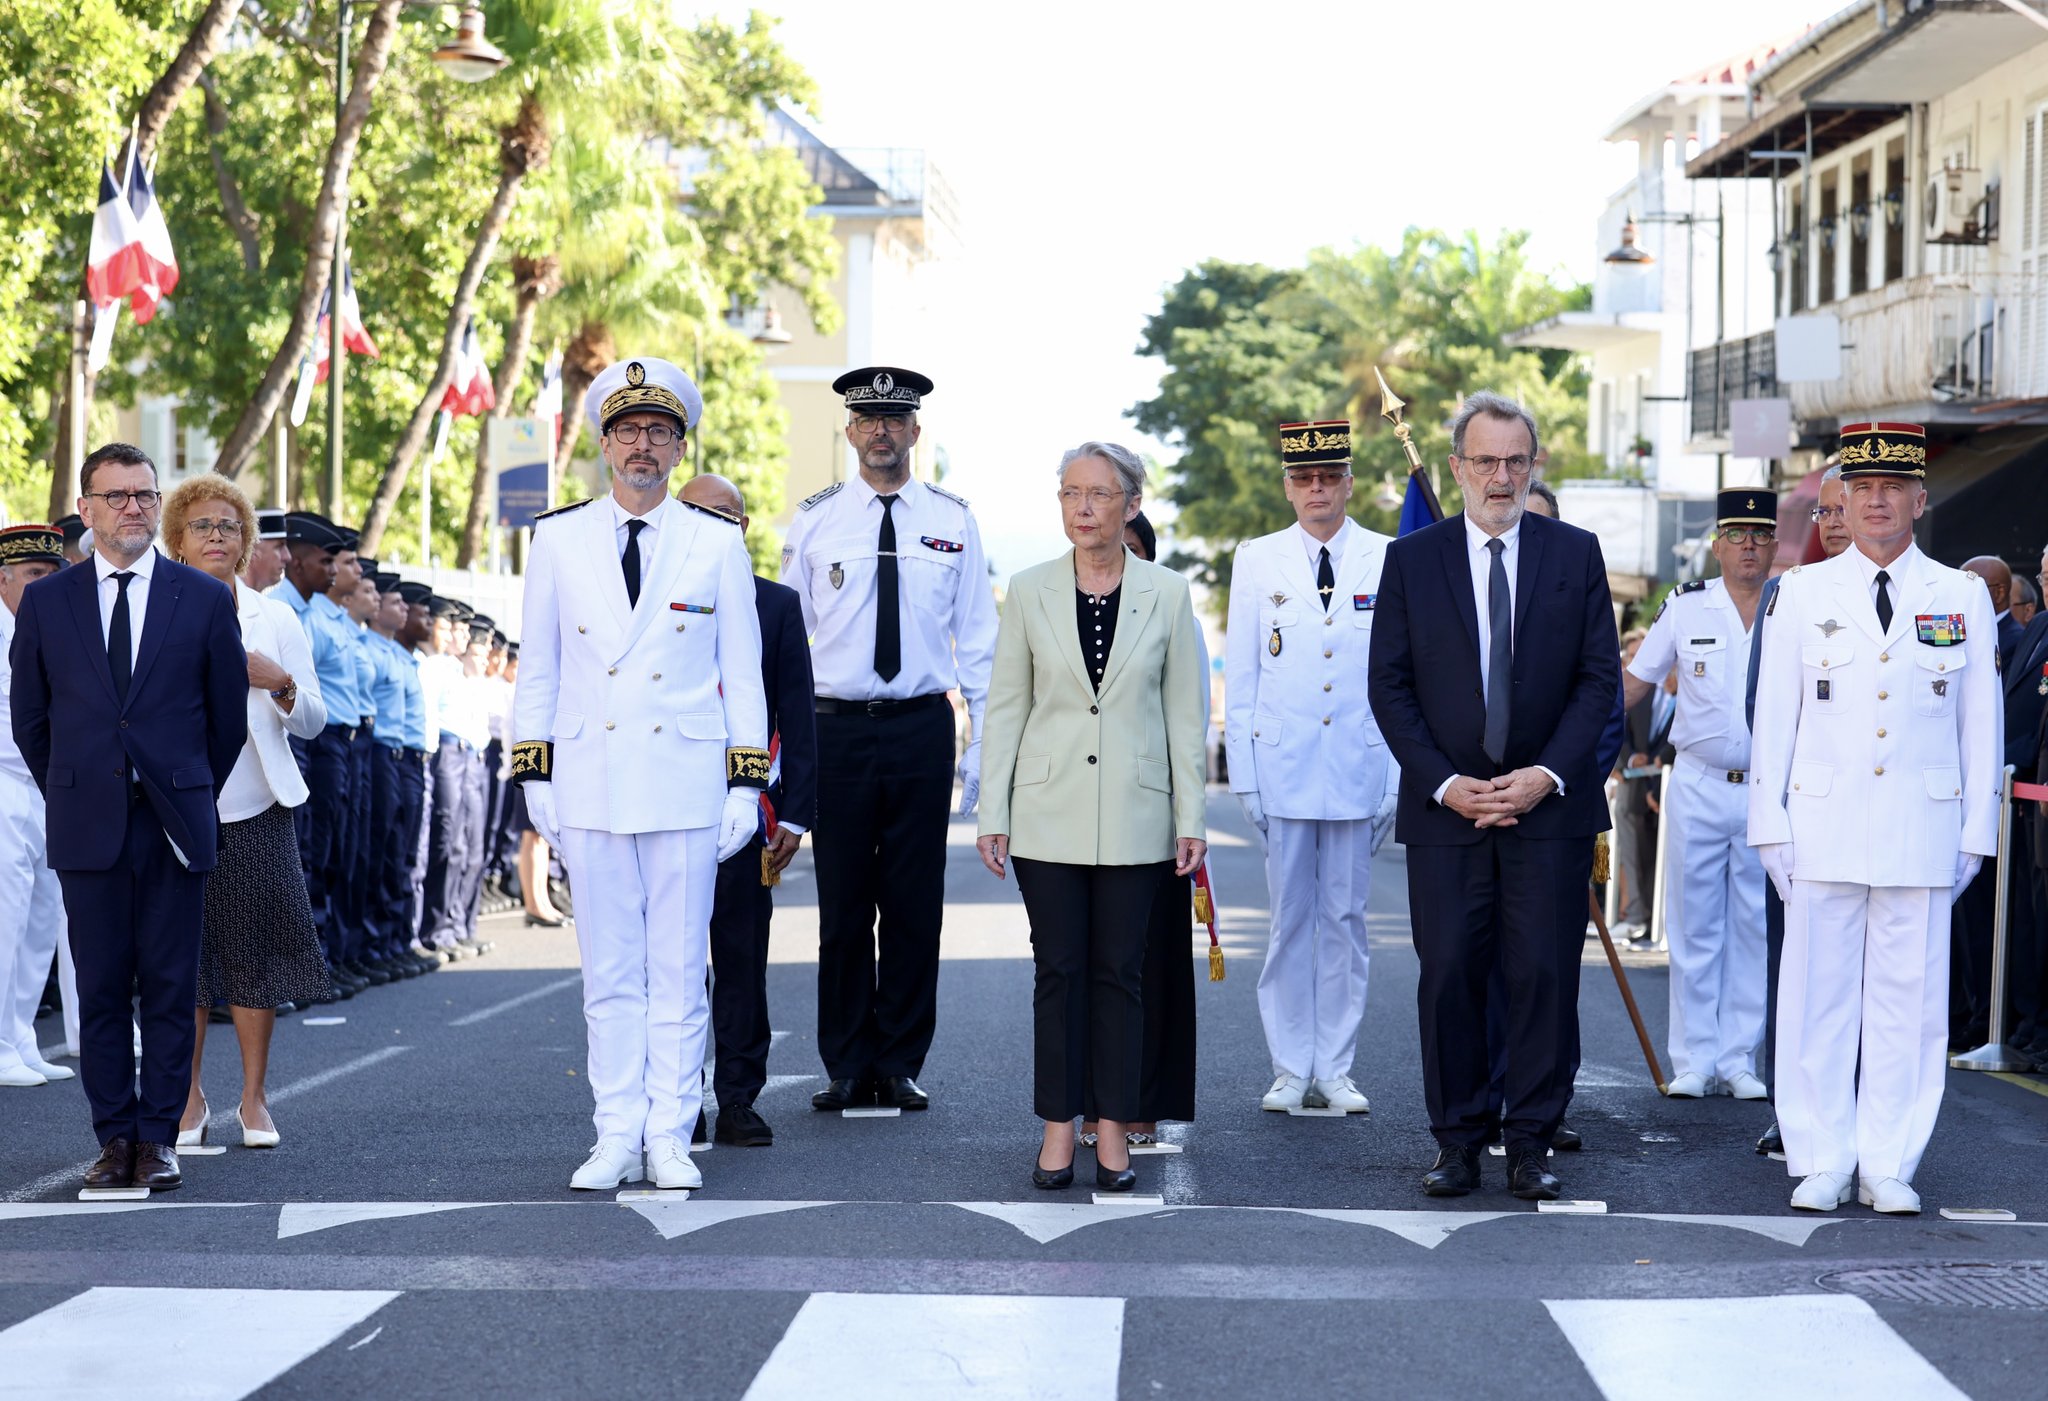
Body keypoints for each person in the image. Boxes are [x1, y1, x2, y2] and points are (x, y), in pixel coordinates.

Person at [513, 355, 768, 1192]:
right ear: (604, 442)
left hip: (686, 778)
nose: (643, 447)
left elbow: (745, 670)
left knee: (678, 969)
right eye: (629, 431)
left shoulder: (716, 539)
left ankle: (670, 1133)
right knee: (609, 973)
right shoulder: (556, 536)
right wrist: (534, 776)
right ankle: (615, 1131)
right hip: (590, 774)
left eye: (660, 432)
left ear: (680, 446)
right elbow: (539, 670)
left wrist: (744, 783)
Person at [1367, 392, 1619, 1202]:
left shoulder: (1576, 554)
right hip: (1449, 813)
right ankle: (1457, 1141)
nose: (1501, 476)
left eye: (1516, 460)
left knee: (1542, 975)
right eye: (1485, 460)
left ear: (1534, 463)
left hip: (1547, 813)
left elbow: (1597, 683)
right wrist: (1445, 783)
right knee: (1448, 976)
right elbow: (1390, 686)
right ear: (1457, 467)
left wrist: (1544, 775)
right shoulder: (1412, 560)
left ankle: (1531, 1142)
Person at [1749, 422, 1999, 1214]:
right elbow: (1774, 719)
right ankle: (1821, 1155)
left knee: (1909, 1006)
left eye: (1894, 487)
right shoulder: (1802, 592)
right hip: (1820, 826)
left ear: (1920, 499)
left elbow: (1980, 726)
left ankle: (1888, 1161)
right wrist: (1770, 823)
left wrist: (1976, 833)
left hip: (1922, 831)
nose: (1879, 501)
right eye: (1864, 489)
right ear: (1843, 504)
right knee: (1816, 1000)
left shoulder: (1958, 595)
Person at [9, 442, 247, 1191]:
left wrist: (187, 789)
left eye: (144, 494)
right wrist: (73, 789)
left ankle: (159, 1136)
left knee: (172, 984)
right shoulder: (49, 602)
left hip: (172, 820)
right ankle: (115, 1137)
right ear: (86, 511)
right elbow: (31, 718)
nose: (133, 508)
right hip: (87, 821)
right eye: (116, 497)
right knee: (102, 986)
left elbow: (225, 720)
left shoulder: (203, 597)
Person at [975, 441, 1207, 1194]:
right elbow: (1006, 707)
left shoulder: (1168, 594)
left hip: (1139, 816)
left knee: (1121, 974)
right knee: (1060, 971)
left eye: (1099, 494)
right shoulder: (1030, 589)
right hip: (1046, 814)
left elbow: (1184, 715)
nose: (1082, 507)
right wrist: (993, 809)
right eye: (1070, 492)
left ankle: (1113, 1131)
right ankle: (1055, 1129)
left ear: (1130, 504)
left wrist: (1191, 817)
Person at [779, 365, 1000, 1113]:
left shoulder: (953, 519)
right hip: (835, 728)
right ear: (850, 432)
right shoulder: (814, 521)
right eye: (868, 420)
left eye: (894, 419)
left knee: (913, 905)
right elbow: (785, 645)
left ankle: (900, 1059)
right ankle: (845, 1062)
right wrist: (778, 755)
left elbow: (978, 643)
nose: (881, 432)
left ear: (914, 431)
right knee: (842, 905)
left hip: (918, 729)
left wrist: (983, 754)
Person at [1224, 419, 1397, 1115]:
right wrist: (1246, 775)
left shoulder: (1389, 557)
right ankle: (1290, 1064)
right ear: (1288, 485)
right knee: (1290, 921)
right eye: (1304, 478)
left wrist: (1395, 775)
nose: (1317, 489)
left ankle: (1337, 1066)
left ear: (1350, 482)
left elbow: (1398, 678)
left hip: (1359, 763)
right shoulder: (1257, 559)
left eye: (1330, 477)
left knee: (1347, 920)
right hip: (1286, 765)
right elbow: (1243, 676)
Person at [160, 475, 332, 1150]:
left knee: (253, 957)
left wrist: (280, 683)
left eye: (229, 527)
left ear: (246, 543)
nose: (216, 537)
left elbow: (316, 720)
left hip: (259, 806)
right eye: (202, 525)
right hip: (177, 807)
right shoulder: (155, 610)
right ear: (176, 537)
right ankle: (187, 1095)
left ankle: (253, 1098)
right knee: (184, 961)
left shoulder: (277, 618)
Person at [1622, 489, 1777, 1100]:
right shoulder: (1686, 609)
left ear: (1774, 545)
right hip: (1699, 781)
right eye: (1737, 535)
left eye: (1760, 536)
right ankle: (1692, 1058)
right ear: (1716, 545)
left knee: (1752, 924)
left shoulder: (1791, 605)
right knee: (1692, 926)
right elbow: (1635, 683)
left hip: (1767, 788)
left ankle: (1740, 1058)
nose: (1748, 546)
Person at [678, 474, 817, 1148]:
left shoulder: (776, 604)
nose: (714, 525)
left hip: (748, 813)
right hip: (667, 806)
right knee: (671, 964)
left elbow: (798, 711)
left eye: (726, 515)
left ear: (744, 528)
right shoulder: (652, 600)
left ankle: (737, 1097)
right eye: (699, 514)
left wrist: (793, 815)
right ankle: (679, 1099)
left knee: (740, 959)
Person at [1744, 463, 1854, 1155]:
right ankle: (1794, 1112)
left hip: (1882, 820)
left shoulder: (1935, 593)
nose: (1838, 520)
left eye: (1847, 507)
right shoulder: (1788, 593)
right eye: (1827, 511)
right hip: (1806, 818)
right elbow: (1764, 707)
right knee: (1797, 969)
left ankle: (1862, 1113)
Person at [269, 512, 361, 996]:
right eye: (324, 560)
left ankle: (321, 960)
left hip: (328, 738)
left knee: (327, 853)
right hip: (303, 740)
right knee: (300, 857)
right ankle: (298, 969)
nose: (333, 570)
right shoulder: (276, 607)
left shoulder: (310, 610)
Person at [0, 525, 73, 1089]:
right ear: (2, 579)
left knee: (40, 918)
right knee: (6, 920)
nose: (45, 584)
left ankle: (19, 1033)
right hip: (5, 785)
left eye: (51, 575)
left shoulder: (46, 629)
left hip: (46, 786)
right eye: (32, 575)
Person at [243, 510, 287, 592]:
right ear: (251, 550)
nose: (287, 556)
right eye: (279, 547)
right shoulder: (227, 599)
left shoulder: (264, 603)